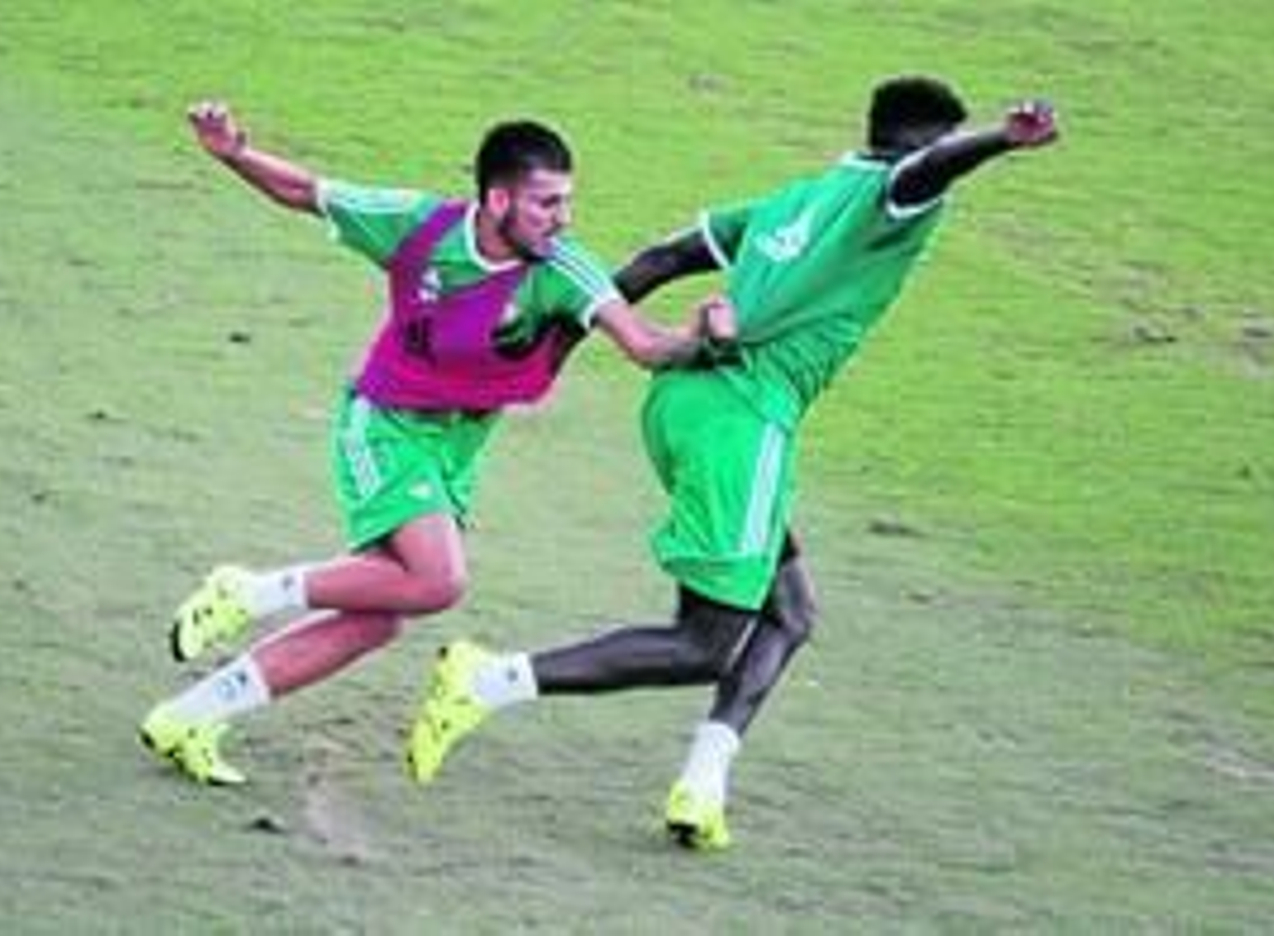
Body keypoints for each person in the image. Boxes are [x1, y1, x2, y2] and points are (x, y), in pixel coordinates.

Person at [403, 76, 1060, 850]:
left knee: (789, 612)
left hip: (685, 406)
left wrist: (559, 340)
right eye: (941, 148)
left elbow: (663, 257)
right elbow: (925, 175)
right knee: (705, 642)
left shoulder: (797, 199)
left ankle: (700, 786)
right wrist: (996, 142)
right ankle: (486, 681)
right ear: (918, 145)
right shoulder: (894, 193)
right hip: (745, 424)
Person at [140, 101, 734, 786]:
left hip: (455, 451)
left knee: (376, 619)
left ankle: (188, 716)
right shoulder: (420, 227)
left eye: (567, 201)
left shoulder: (563, 269)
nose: (562, 218)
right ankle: (247, 589)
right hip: (385, 426)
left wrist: (700, 339)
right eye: (546, 203)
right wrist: (235, 153)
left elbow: (642, 343)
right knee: (439, 579)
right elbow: (308, 191)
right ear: (498, 198)